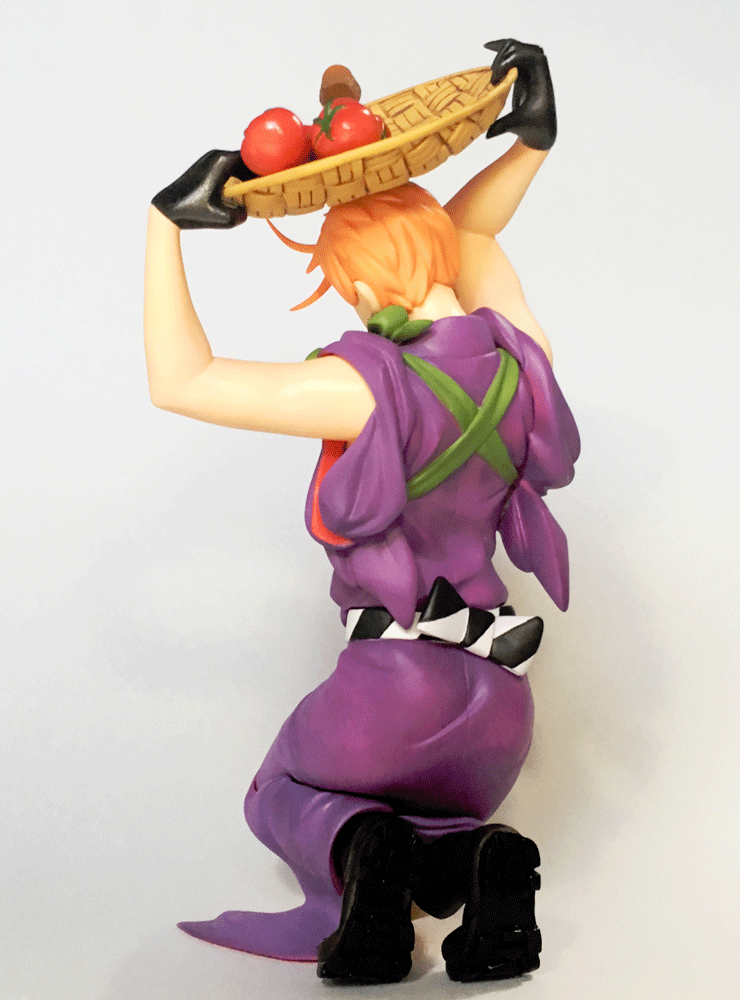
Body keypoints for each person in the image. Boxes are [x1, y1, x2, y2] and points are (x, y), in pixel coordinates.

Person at [144, 39, 579, 985]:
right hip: (503, 706)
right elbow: (473, 238)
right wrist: (531, 142)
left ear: (363, 286)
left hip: (393, 684)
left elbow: (182, 379)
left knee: (280, 788)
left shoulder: (362, 385)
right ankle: (482, 861)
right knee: (434, 813)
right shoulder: (521, 359)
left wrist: (165, 228)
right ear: (435, 243)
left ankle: (356, 869)